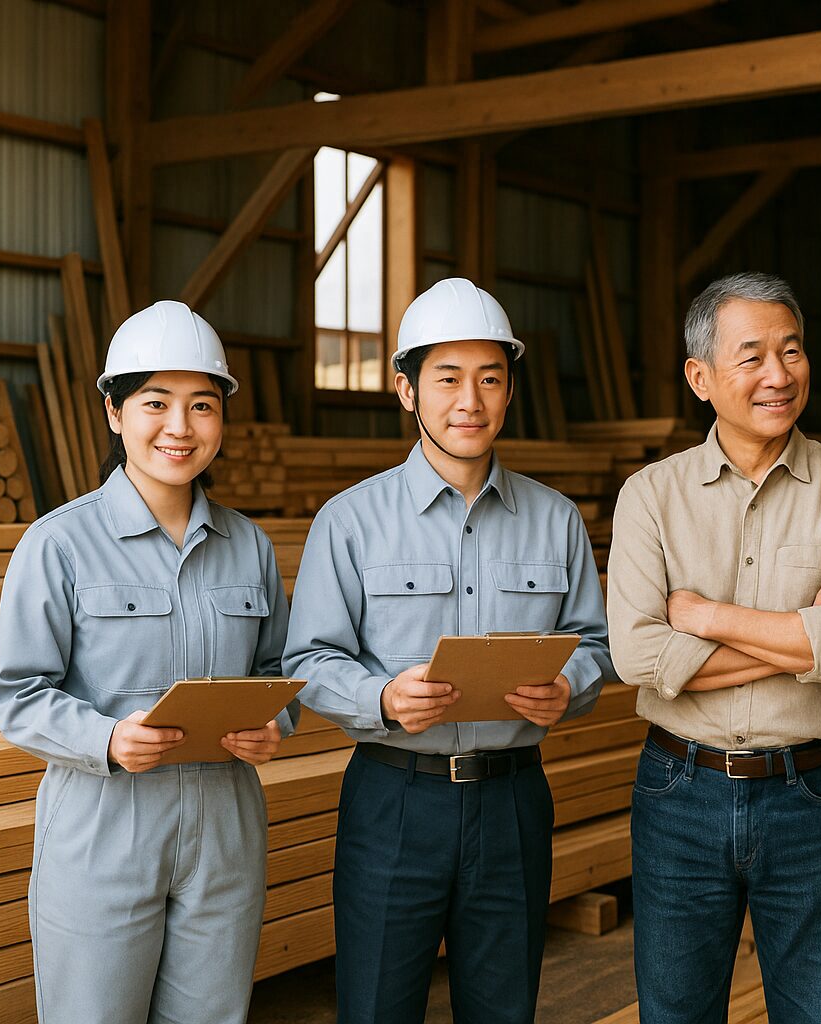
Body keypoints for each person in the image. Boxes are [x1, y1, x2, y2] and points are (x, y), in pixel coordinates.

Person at [283, 277, 613, 1024]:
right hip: (396, 797)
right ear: (406, 390)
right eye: (448, 378)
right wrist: (382, 698)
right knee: (376, 1008)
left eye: (490, 379)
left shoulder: (556, 520)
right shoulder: (350, 522)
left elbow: (593, 643)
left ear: (509, 391)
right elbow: (307, 662)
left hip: (513, 800)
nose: (471, 400)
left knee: (503, 1010)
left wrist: (571, 686)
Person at [0, 299, 295, 1024]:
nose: (180, 428)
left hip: (224, 826)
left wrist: (273, 722)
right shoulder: (58, 544)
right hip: (103, 826)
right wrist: (106, 738)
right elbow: (17, 694)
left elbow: (279, 670)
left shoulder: (249, 546)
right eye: (156, 402)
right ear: (115, 412)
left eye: (202, 405)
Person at [606, 272, 821, 1024]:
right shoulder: (651, 494)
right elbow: (639, 658)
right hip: (680, 791)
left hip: (816, 796)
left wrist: (705, 615)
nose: (779, 375)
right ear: (700, 377)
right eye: (752, 357)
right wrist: (806, 630)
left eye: (792, 351)